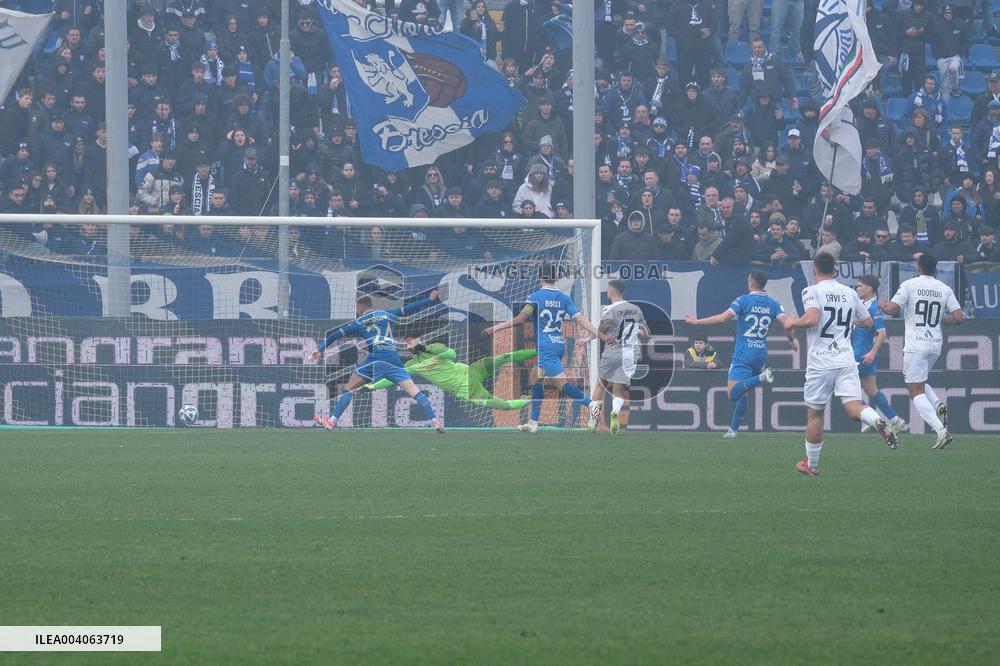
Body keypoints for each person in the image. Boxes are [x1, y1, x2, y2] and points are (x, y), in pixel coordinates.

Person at [782, 252, 897, 477]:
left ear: (814, 270)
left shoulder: (811, 291)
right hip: (845, 360)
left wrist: (792, 321)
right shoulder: (849, 293)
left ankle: (812, 465)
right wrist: (843, 319)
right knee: (854, 409)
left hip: (821, 362)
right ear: (835, 270)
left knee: (815, 415)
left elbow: (813, 319)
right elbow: (867, 322)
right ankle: (877, 420)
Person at [482, 262, 612, 433]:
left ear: (540, 278)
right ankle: (533, 423)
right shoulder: (564, 299)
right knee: (534, 378)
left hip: (546, 348)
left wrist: (494, 328)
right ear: (555, 279)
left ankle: (591, 404)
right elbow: (580, 319)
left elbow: (521, 319)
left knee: (562, 385)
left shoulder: (535, 297)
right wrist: (601, 336)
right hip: (558, 344)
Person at [683, 270, 797, 438]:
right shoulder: (774, 303)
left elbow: (723, 318)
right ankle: (733, 430)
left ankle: (763, 376)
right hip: (760, 353)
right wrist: (792, 341)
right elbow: (787, 324)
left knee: (733, 393)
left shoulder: (743, 300)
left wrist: (697, 321)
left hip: (744, 354)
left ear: (751, 282)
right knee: (742, 393)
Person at [310, 291, 445, 432]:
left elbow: (334, 335)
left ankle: (332, 421)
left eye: (356, 309)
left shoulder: (359, 321)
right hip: (394, 360)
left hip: (376, 359)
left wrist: (320, 350)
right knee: (416, 393)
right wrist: (429, 300)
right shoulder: (387, 314)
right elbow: (408, 309)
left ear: (360, 308)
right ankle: (435, 421)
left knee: (349, 388)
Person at [878, 253, 964, 449]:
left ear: (918, 268)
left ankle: (941, 431)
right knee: (919, 381)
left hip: (916, 345)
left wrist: (882, 305)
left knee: (915, 390)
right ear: (935, 270)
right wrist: (945, 320)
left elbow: (892, 309)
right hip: (935, 345)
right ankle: (937, 405)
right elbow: (959, 317)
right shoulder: (944, 288)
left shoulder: (910, 285)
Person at [362, 338, 534, 410]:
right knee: (504, 406)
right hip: (465, 389)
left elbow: (452, 355)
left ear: (420, 340)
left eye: (412, 341)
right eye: (407, 344)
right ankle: (530, 400)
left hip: (471, 371)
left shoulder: (435, 347)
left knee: (504, 357)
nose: (409, 345)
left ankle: (540, 352)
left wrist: (430, 351)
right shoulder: (412, 365)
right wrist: (372, 386)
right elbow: (394, 378)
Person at [583, 279, 649, 434]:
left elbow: (603, 329)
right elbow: (646, 331)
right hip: (630, 354)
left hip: (612, 352)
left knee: (601, 385)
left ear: (611, 291)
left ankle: (593, 419)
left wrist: (587, 339)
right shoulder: (636, 309)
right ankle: (615, 414)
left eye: (607, 290)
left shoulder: (610, 309)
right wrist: (636, 332)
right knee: (619, 390)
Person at [852, 275, 907, 436]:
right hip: (865, 354)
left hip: (862, 355)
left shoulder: (874, 307)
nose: (857, 288)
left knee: (842, 385)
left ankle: (871, 417)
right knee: (871, 390)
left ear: (869, 288)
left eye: (860, 286)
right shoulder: (865, 305)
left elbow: (882, 333)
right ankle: (895, 420)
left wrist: (872, 352)